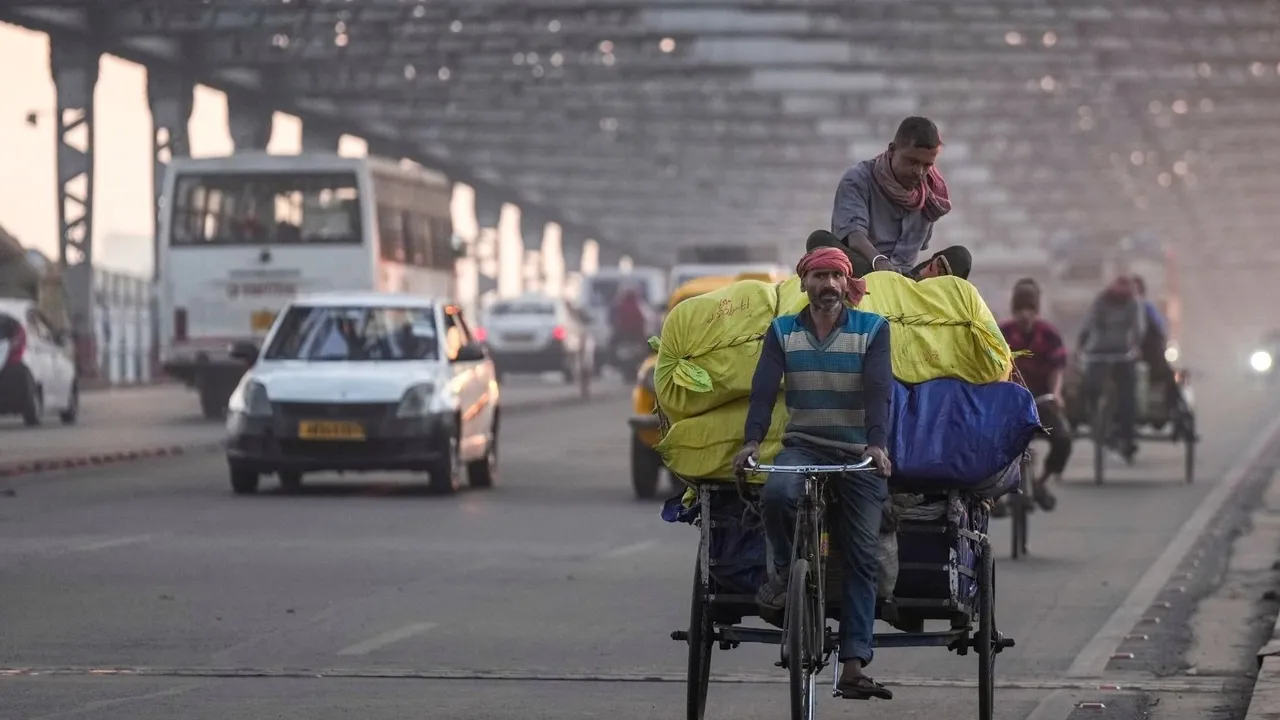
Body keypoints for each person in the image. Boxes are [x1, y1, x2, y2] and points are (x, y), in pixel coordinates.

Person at [730, 245, 895, 701]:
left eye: (835, 277)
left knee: (863, 554)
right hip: (803, 447)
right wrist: (750, 442)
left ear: (847, 283)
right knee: (777, 495)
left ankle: (854, 664)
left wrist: (878, 445)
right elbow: (763, 391)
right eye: (818, 276)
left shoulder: (873, 329)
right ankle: (786, 574)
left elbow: (880, 392)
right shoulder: (783, 331)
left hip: (858, 454)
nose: (827, 285)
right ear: (803, 284)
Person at [822, 116, 965, 278]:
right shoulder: (858, 178)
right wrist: (879, 261)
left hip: (905, 276)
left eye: (927, 165)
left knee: (960, 257)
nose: (919, 172)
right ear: (891, 151)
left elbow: (920, 248)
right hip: (864, 271)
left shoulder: (931, 193)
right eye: (912, 161)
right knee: (819, 239)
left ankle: (904, 287)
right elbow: (853, 235)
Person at [998, 284, 1072, 512]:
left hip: (1041, 401)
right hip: (1008, 402)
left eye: (1029, 308)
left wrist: (1056, 395)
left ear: (1036, 311)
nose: (1024, 314)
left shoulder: (1049, 334)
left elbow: (1056, 370)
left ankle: (1041, 483)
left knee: (1063, 440)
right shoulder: (1002, 333)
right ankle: (993, 495)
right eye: (1019, 309)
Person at [1077, 274, 1146, 461]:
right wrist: (1081, 344)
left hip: (1123, 353)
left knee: (1128, 394)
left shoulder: (1133, 303)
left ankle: (1127, 436)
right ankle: (1094, 420)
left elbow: (1138, 328)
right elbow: (1089, 323)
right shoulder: (1101, 301)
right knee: (1090, 386)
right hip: (1098, 351)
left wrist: (1136, 346)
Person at [1132, 275, 1188, 418]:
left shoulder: (1147, 308)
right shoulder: (1120, 310)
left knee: (1174, 378)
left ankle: (1178, 409)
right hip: (1126, 360)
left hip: (1150, 358)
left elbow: (1160, 329)